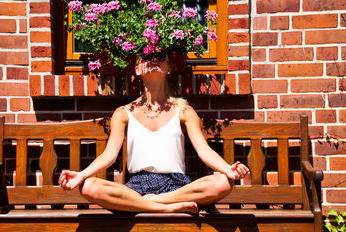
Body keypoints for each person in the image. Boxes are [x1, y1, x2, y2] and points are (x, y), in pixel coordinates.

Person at [59, 52, 250, 213]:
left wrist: (227, 169)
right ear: (136, 69)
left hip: (177, 187)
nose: (153, 60)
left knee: (223, 183)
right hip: (136, 188)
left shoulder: (184, 111)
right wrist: (82, 175)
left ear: (168, 68)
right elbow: (109, 155)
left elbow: (204, 150)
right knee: (89, 187)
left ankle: (153, 203)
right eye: (147, 56)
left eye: (159, 56)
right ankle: (165, 208)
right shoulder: (123, 113)